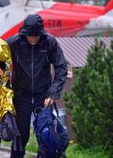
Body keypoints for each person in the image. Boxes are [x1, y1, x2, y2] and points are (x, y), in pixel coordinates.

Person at [6, 14, 68, 158]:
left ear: (41, 33)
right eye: (30, 35)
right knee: (20, 138)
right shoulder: (14, 42)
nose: (33, 38)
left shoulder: (50, 42)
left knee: (46, 135)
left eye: (36, 35)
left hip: (43, 96)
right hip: (21, 97)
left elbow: (61, 68)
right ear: (24, 33)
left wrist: (53, 93)